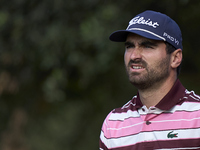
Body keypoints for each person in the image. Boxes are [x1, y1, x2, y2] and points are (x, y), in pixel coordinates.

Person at [99, 10, 200, 150]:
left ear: (175, 58)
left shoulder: (197, 116)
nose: (134, 55)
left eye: (147, 46)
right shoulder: (114, 123)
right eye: (129, 46)